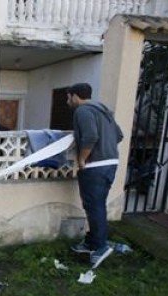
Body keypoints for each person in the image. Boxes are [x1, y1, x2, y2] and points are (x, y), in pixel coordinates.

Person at [66, 83, 123, 268]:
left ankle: (100, 247)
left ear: (75, 96)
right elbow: (119, 135)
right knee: (97, 206)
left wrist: (82, 159)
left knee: (94, 205)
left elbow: (90, 137)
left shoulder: (82, 111)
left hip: (95, 165)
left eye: (68, 97)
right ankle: (92, 242)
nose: (68, 102)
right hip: (110, 164)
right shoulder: (104, 111)